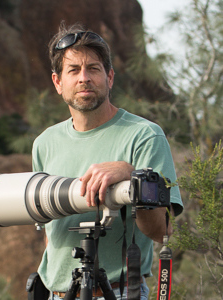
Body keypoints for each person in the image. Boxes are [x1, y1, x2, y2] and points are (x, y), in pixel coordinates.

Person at [32, 22, 183, 300]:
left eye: (94, 68)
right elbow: (50, 232)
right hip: (56, 293)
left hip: (119, 291)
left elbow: (162, 231)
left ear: (109, 77)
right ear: (57, 82)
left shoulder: (144, 136)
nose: (84, 78)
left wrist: (133, 175)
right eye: (73, 70)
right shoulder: (44, 143)